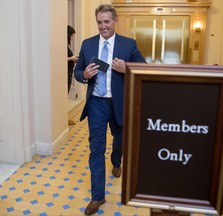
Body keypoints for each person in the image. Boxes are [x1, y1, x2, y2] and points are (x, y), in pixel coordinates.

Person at [74, 4, 146, 215]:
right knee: (96, 148)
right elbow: (77, 72)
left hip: (119, 103)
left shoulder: (128, 44)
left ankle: (117, 161)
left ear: (115, 20)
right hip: (96, 103)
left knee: (120, 139)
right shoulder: (88, 45)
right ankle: (97, 197)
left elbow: (144, 67)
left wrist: (127, 68)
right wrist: (84, 75)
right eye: (99, 22)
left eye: (106, 21)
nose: (103, 26)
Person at [67, 25, 78, 125]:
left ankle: (65, 117)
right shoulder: (63, 45)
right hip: (65, 74)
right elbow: (60, 59)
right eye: (72, 35)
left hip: (69, 72)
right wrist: (72, 58)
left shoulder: (67, 45)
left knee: (65, 95)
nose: (73, 37)